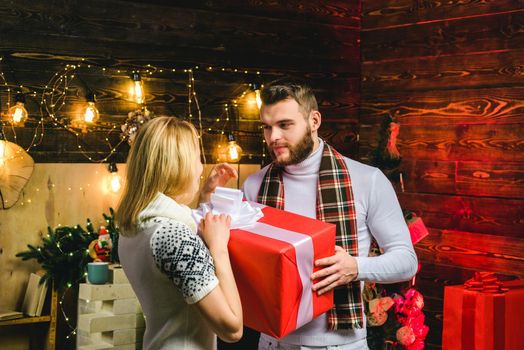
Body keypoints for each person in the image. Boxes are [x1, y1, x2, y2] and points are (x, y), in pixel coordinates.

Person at [201, 79, 418, 350]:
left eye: (285, 125)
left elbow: (407, 261)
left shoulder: (367, 180)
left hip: (342, 344)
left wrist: (357, 267)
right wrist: (208, 199)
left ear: (314, 120)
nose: (273, 137)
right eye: (267, 127)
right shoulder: (255, 185)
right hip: (273, 343)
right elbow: (225, 249)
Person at [116, 116, 243, 350]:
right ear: (180, 165)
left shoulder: (134, 222)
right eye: (196, 158)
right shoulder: (172, 236)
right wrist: (218, 249)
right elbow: (232, 328)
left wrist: (205, 198)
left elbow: (176, 274)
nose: (200, 168)